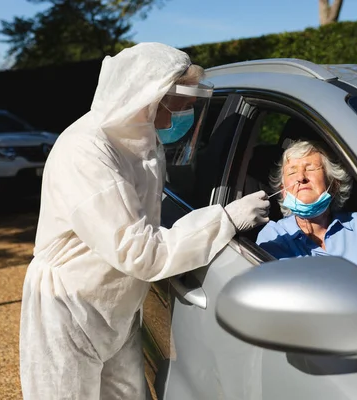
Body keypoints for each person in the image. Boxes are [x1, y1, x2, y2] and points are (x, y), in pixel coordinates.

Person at [19, 42, 270, 400]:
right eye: (176, 108)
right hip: (71, 309)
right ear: (144, 99)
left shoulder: (141, 139)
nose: (180, 119)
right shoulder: (87, 151)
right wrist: (225, 218)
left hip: (117, 307)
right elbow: (139, 250)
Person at [256, 139, 357, 278]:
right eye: (292, 172)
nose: (301, 177)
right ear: (283, 192)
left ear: (334, 185)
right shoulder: (273, 237)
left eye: (310, 168)